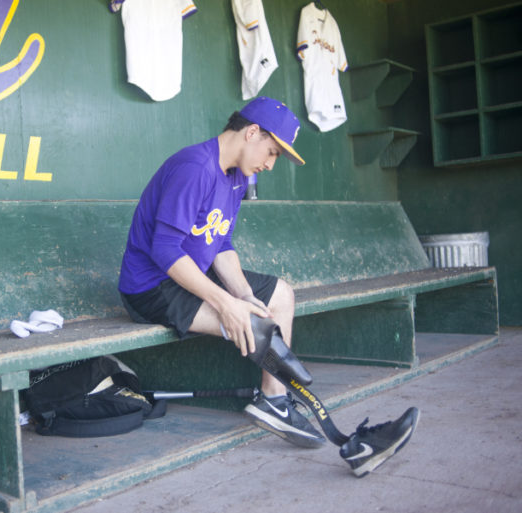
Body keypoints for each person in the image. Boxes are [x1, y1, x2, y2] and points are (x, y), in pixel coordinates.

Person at [118, 96, 419, 474]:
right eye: (272, 152)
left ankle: (273, 400)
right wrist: (227, 305)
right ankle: (332, 433)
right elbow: (163, 250)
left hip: (189, 271)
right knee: (253, 325)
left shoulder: (236, 177)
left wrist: (244, 295)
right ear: (252, 132)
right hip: (151, 287)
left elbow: (219, 244)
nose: (270, 163)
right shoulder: (195, 167)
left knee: (279, 297)